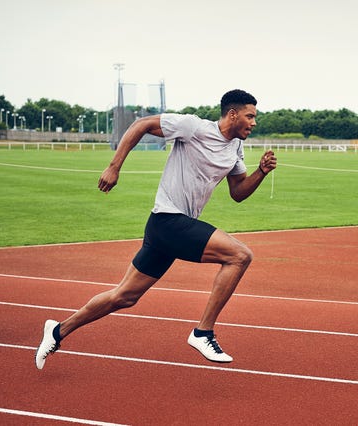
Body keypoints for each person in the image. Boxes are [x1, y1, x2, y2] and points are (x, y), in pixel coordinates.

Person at [36, 89, 276, 369]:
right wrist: (114, 166)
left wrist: (261, 171)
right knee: (239, 255)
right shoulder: (194, 127)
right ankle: (203, 332)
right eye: (250, 116)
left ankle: (58, 330)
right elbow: (142, 124)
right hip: (167, 220)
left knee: (124, 296)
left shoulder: (235, 147)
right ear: (232, 114)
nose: (254, 122)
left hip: (170, 229)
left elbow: (238, 192)